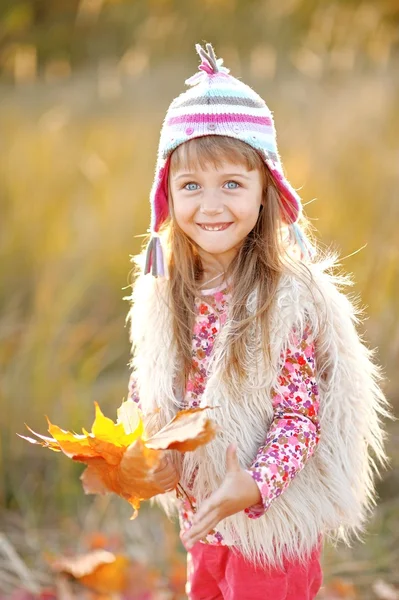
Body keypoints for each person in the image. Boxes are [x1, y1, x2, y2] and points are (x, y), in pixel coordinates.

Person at [124, 43, 390, 600]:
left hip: (269, 523)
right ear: (166, 197)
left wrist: (252, 484)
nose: (211, 204)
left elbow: (298, 417)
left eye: (232, 184)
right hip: (204, 515)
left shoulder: (281, 300)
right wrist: (152, 448)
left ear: (266, 191)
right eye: (190, 185)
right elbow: (150, 383)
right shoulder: (166, 290)